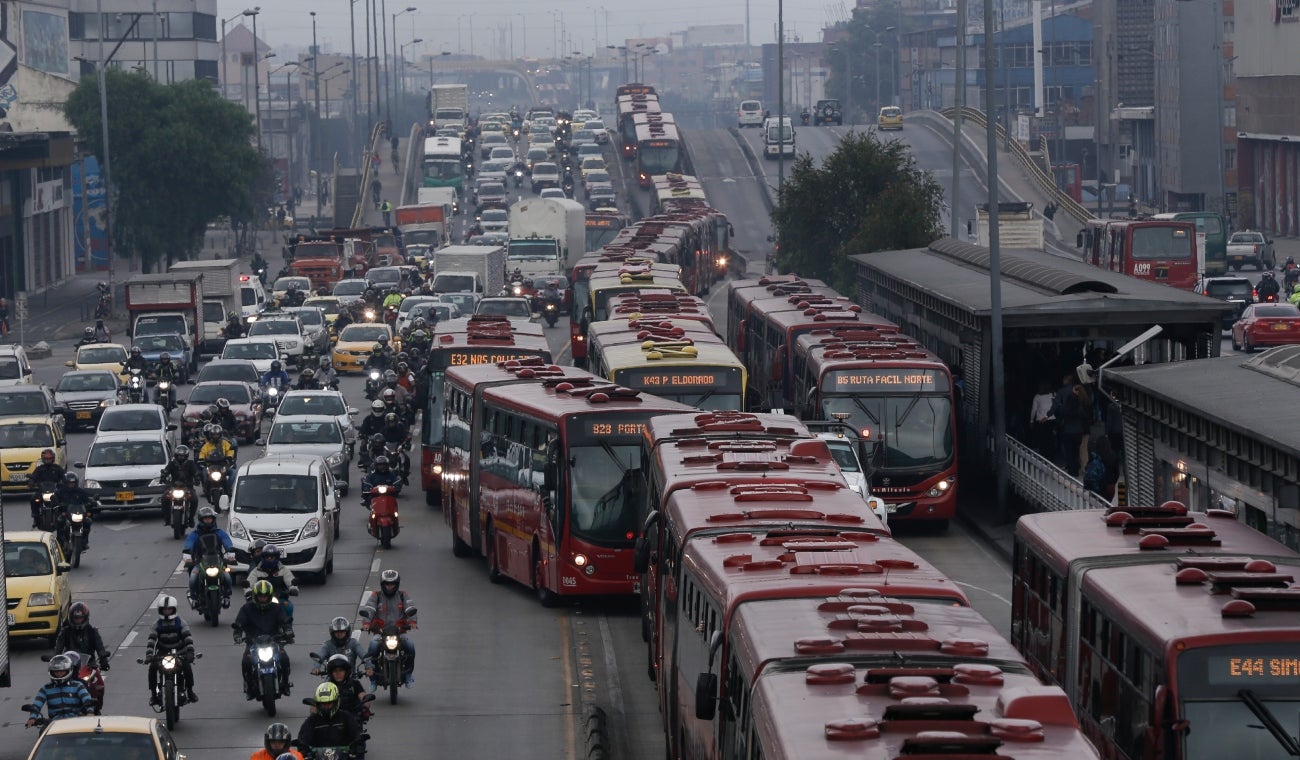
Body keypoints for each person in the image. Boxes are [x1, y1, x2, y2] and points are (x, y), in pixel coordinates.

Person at [233, 579, 293, 698]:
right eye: (260, 596)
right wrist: (237, 634)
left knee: (285, 659)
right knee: (246, 662)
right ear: (255, 596)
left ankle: (285, 684)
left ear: (270, 596)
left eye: (266, 597)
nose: (263, 599)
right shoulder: (247, 608)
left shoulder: (277, 608)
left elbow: (285, 620)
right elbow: (239, 622)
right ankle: (249, 686)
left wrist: (288, 630)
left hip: (273, 641)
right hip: (253, 642)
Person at [359, 568, 416, 686]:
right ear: (382, 584)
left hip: (399, 632)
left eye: (392, 584)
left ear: (397, 584)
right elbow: (369, 609)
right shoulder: (376, 595)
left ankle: (409, 674)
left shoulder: (402, 595)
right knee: (373, 647)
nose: (389, 586)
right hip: (380, 632)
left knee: (410, 646)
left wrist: (412, 621)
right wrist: (366, 623)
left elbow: (410, 608)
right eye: (387, 584)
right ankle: (373, 678)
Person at [145, 595, 198, 705]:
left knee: (187, 667)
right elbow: (151, 640)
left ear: (174, 609)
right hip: (162, 653)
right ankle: (154, 694)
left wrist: (190, 653)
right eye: (165, 609)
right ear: (161, 610)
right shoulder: (157, 624)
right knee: (152, 668)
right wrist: (149, 655)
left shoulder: (181, 622)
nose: (167, 611)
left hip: (179, 652)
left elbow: (188, 638)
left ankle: (190, 691)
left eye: (169, 609)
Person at [296, 682, 365, 756]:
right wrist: (303, 748)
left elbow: (357, 733)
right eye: (323, 704)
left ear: (336, 702)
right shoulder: (312, 720)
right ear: (318, 704)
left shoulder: (346, 717)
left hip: (344, 757)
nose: (326, 706)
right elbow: (303, 739)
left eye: (329, 703)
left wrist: (358, 743)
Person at [26, 655, 94, 726]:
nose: (59, 674)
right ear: (52, 671)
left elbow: (87, 700)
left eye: (62, 671)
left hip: (76, 722)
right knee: (42, 732)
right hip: (54, 724)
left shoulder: (78, 685)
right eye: (56, 671)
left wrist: (90, 712)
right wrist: (32, 718)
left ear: (68, 670)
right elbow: (37, 705)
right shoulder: (45, 689)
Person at [246, 545, 298, 622]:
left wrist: (293, 589)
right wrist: (248, 591)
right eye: (267, 557)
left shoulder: (284, 570)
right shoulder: (256, 571)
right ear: (263, 558)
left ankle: (288, 627)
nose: (269, 559)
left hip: (279, 598)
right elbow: (249, 584)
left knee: (289, 607)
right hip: (260, 599)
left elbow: (291, 582)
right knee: (247, 607)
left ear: (276, 558)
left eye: (272, 557)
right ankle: (247, 630)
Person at [53, 602, 112, 672]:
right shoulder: (65, 632)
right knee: (58, 680)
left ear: (85, 617)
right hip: (70, 665)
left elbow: (100, 648)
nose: (78, 620)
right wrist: (55, 660)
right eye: (76, 618)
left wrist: (104, 661)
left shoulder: (92, 632)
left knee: (98, 680)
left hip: (90, 665)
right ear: (71, 618)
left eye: (80, 618)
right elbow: (58, 648)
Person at [55, 473, 96, 549]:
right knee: (59, 521)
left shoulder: (80, 492)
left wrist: (92, 502)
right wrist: (55, 502)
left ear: (76, 483)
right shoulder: (61, 492)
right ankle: (59, 542)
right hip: (66, 514)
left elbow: (87, 499)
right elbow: (54, 498)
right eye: (69, 483)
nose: (71, 485)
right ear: (65, 483)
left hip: (77, 513)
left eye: (73, 483)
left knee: (88, 521)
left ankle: (84, 541)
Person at [30, 448, 65, 528]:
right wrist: (31, 482)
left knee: (63, 500)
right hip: (42, 491)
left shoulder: (57, 468)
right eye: (46, 459)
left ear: (53, 459)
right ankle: (35, 516)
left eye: (49, 459)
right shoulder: (39, 469)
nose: (48, 460)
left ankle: (62, 517)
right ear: (43, 459)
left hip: (55, 492)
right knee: (33, 498)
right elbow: (33, 477)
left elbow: (64, 477)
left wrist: (64, 482)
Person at [1029, 381, 1057, 458]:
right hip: (1051, 419)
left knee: (1042, 439)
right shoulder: (1053, 394)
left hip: (1041, 420)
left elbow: (1034, 409)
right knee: (1051, 438)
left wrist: (1031, 421)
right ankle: (1051, 456)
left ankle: (1044, 456)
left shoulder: (1037, 396)